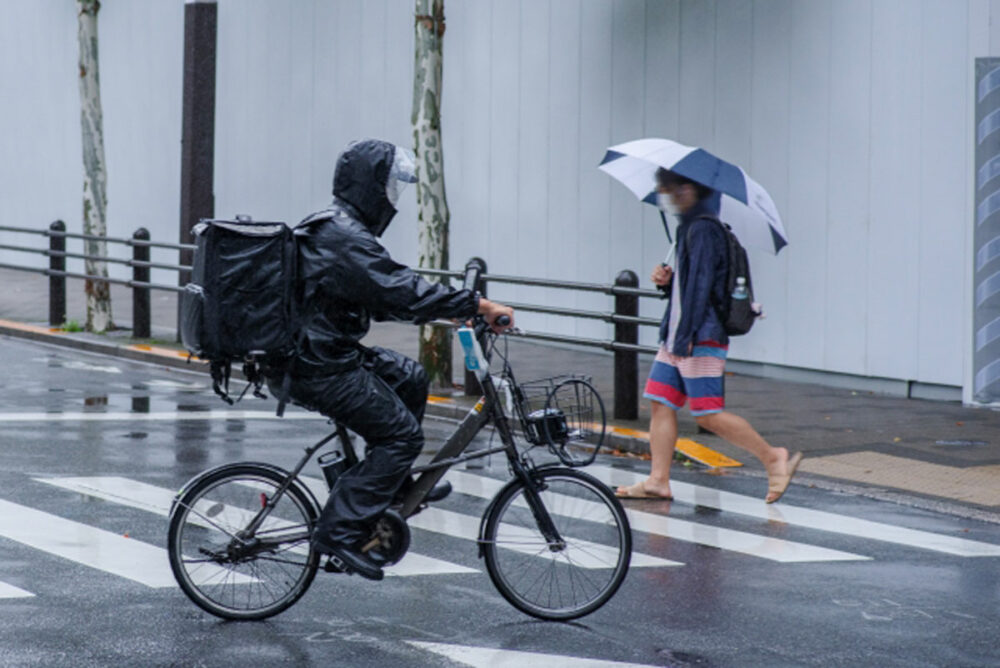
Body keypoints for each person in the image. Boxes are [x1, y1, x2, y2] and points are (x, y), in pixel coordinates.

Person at [270, 139, 513, 580]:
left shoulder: (341, 229)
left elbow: (381, 295)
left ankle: (393, 483)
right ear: (369, 186)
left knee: (410, 375)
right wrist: (476, 304)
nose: (392, 198)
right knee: (400, 437)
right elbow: (400, 288)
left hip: (322, 352)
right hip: (318, 365)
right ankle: (339, 532)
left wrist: (437, 305)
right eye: (389, 187)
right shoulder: (343, 235)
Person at [615, 168, 801, 504]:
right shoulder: (691, 227)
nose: (666, 197)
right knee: (660, 403)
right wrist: (668, 282)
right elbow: (691, 287)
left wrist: (684, 338)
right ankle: (658, 480)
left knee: (707, 412)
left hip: (696, 338)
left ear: (687, 189)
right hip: (679, 336)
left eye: (669, 190)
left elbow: (701, 290)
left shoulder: (702, 229)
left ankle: (773, 456)